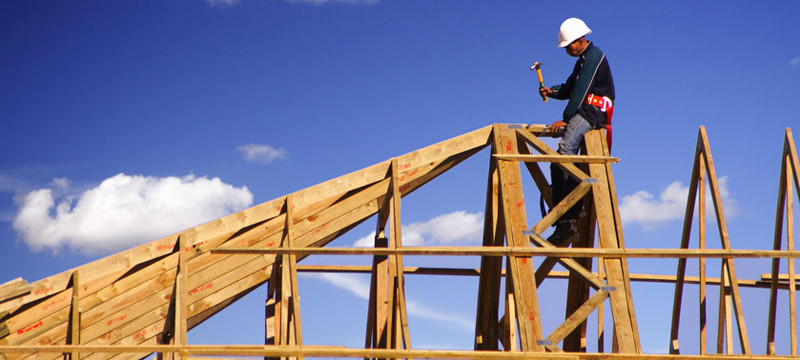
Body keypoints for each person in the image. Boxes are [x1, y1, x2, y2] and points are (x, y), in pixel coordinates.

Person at [539, 17, 615, 245]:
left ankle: (569, 217)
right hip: (585, 110)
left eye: (569, 45)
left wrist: (567, 119)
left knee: (563, 155)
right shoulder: (583, 59)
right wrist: (550, 91)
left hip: (592, 112)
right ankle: (566, 219)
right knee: (560, 161)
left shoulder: (593, 57)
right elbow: (571, 87)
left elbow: (580, 93)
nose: (567, 50)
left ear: (580, 40)